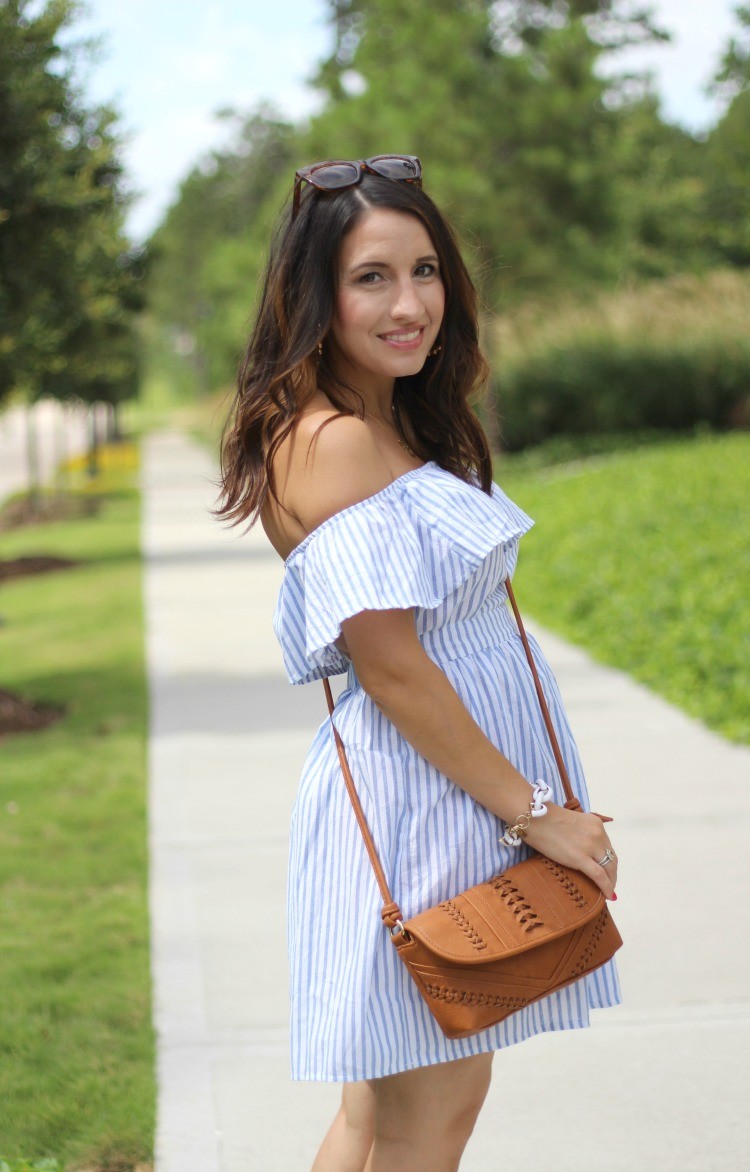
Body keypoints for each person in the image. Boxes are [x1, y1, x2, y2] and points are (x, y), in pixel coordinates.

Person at [216, 155, 621, 1172]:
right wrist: (536, 811)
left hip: (440, 796)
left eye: (426, 270)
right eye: (372, 278)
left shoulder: (382, 420)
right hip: (425, 800)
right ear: (315, 295)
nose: (411, 303)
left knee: (381, 1118)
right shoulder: (337, 441)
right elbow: (392, 668)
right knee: (423, 1120)